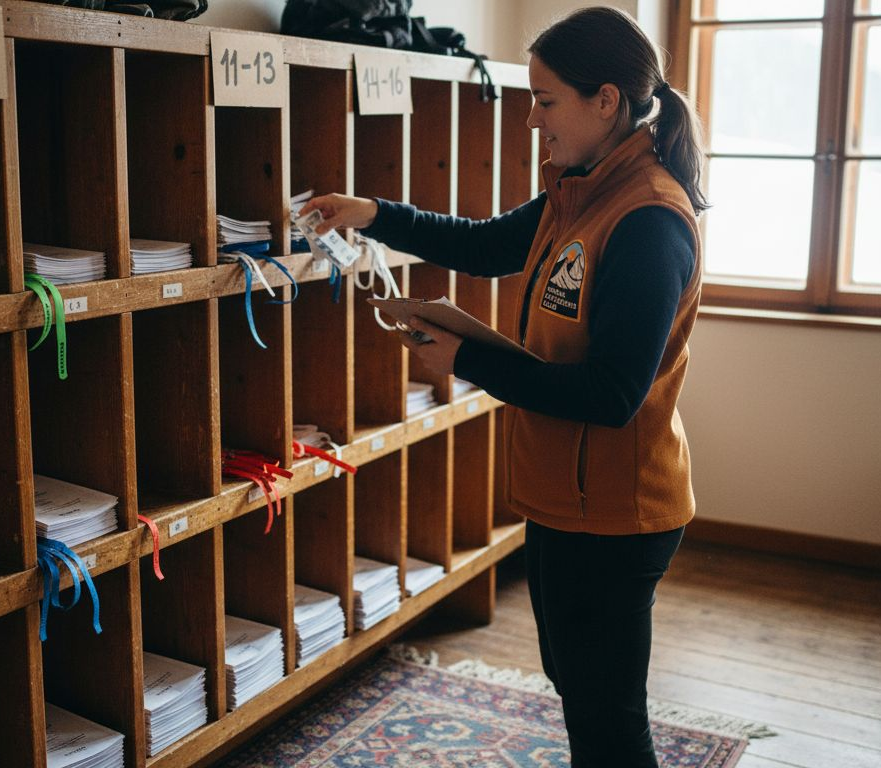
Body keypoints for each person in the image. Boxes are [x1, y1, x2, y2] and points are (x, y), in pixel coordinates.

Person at [299, 6, 707, 767]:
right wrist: (373, 214)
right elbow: (485, 245)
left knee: (609, 717)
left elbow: (611, 396)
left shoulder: (649, 219)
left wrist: (466, 358)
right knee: (579, 691)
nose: (530, 120)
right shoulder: (580, 188)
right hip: (564, 498)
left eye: (545, 101)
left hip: (619, 513)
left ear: (606, 100)